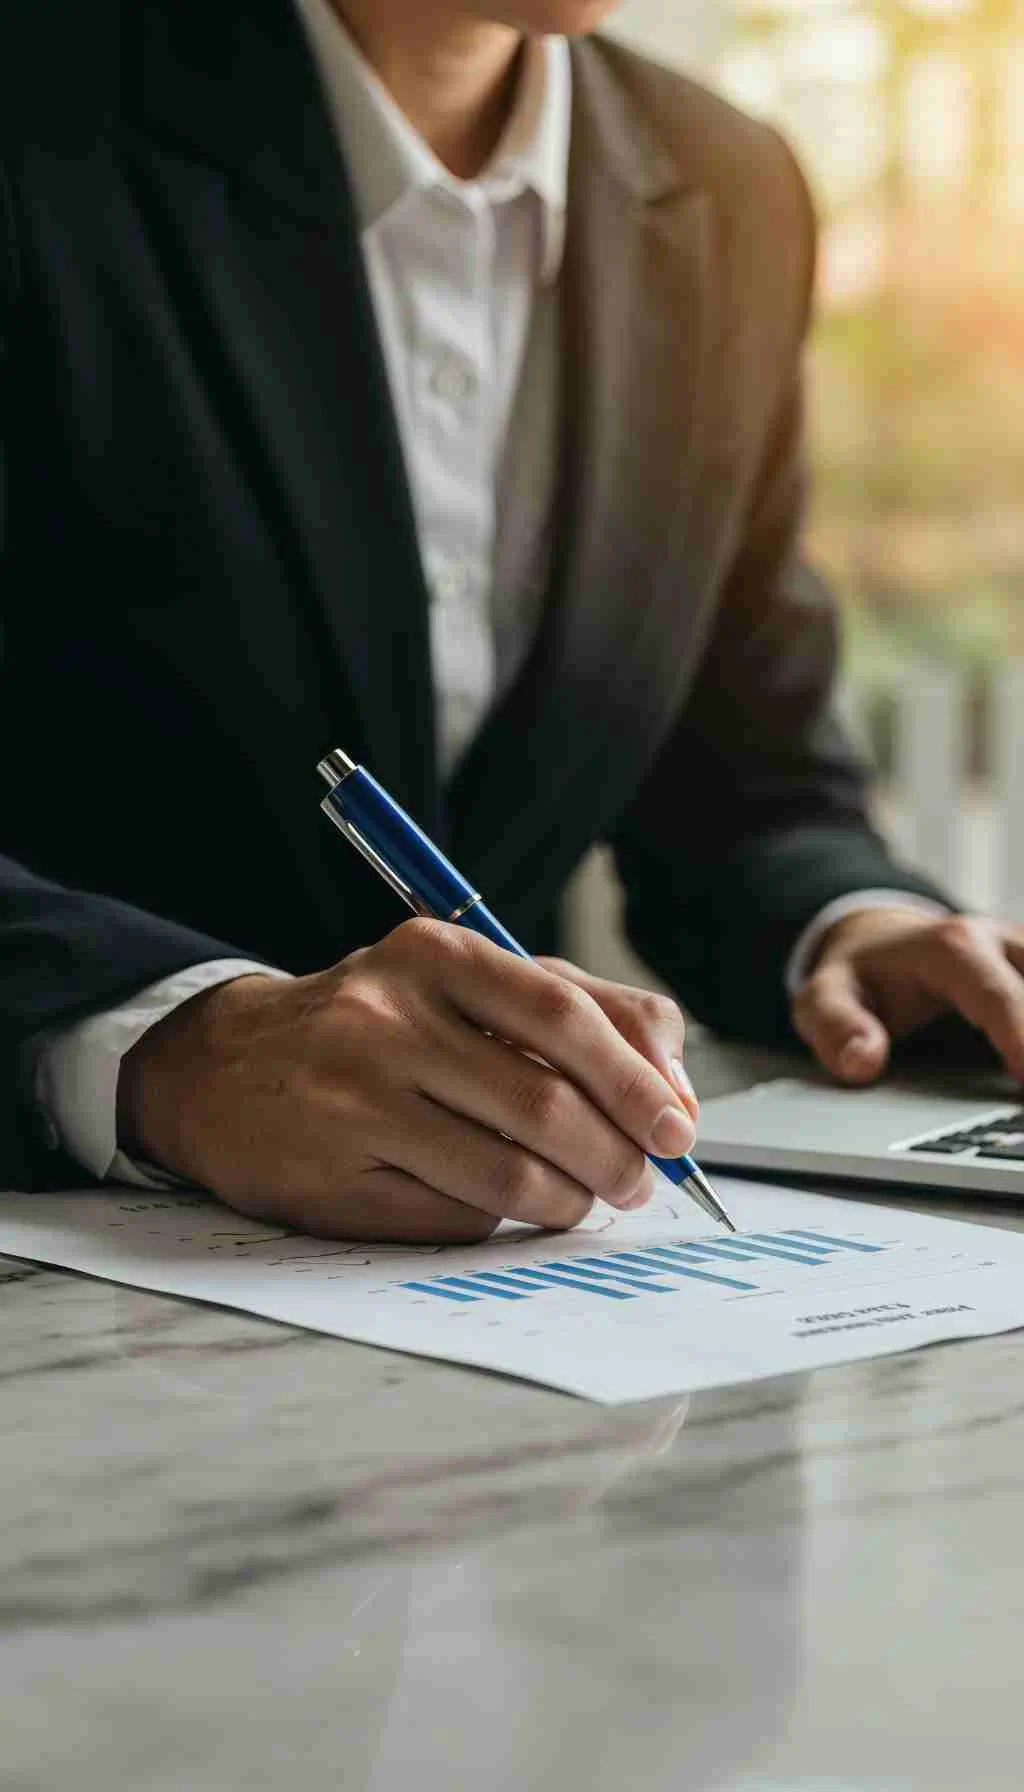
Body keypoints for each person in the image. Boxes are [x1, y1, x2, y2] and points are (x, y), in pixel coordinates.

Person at [3, 0, 1023, 1243]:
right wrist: (166, 1039)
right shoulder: (45, 112)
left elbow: (743, 783)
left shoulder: (725, 188)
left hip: (507, 1266)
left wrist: (855, 927)